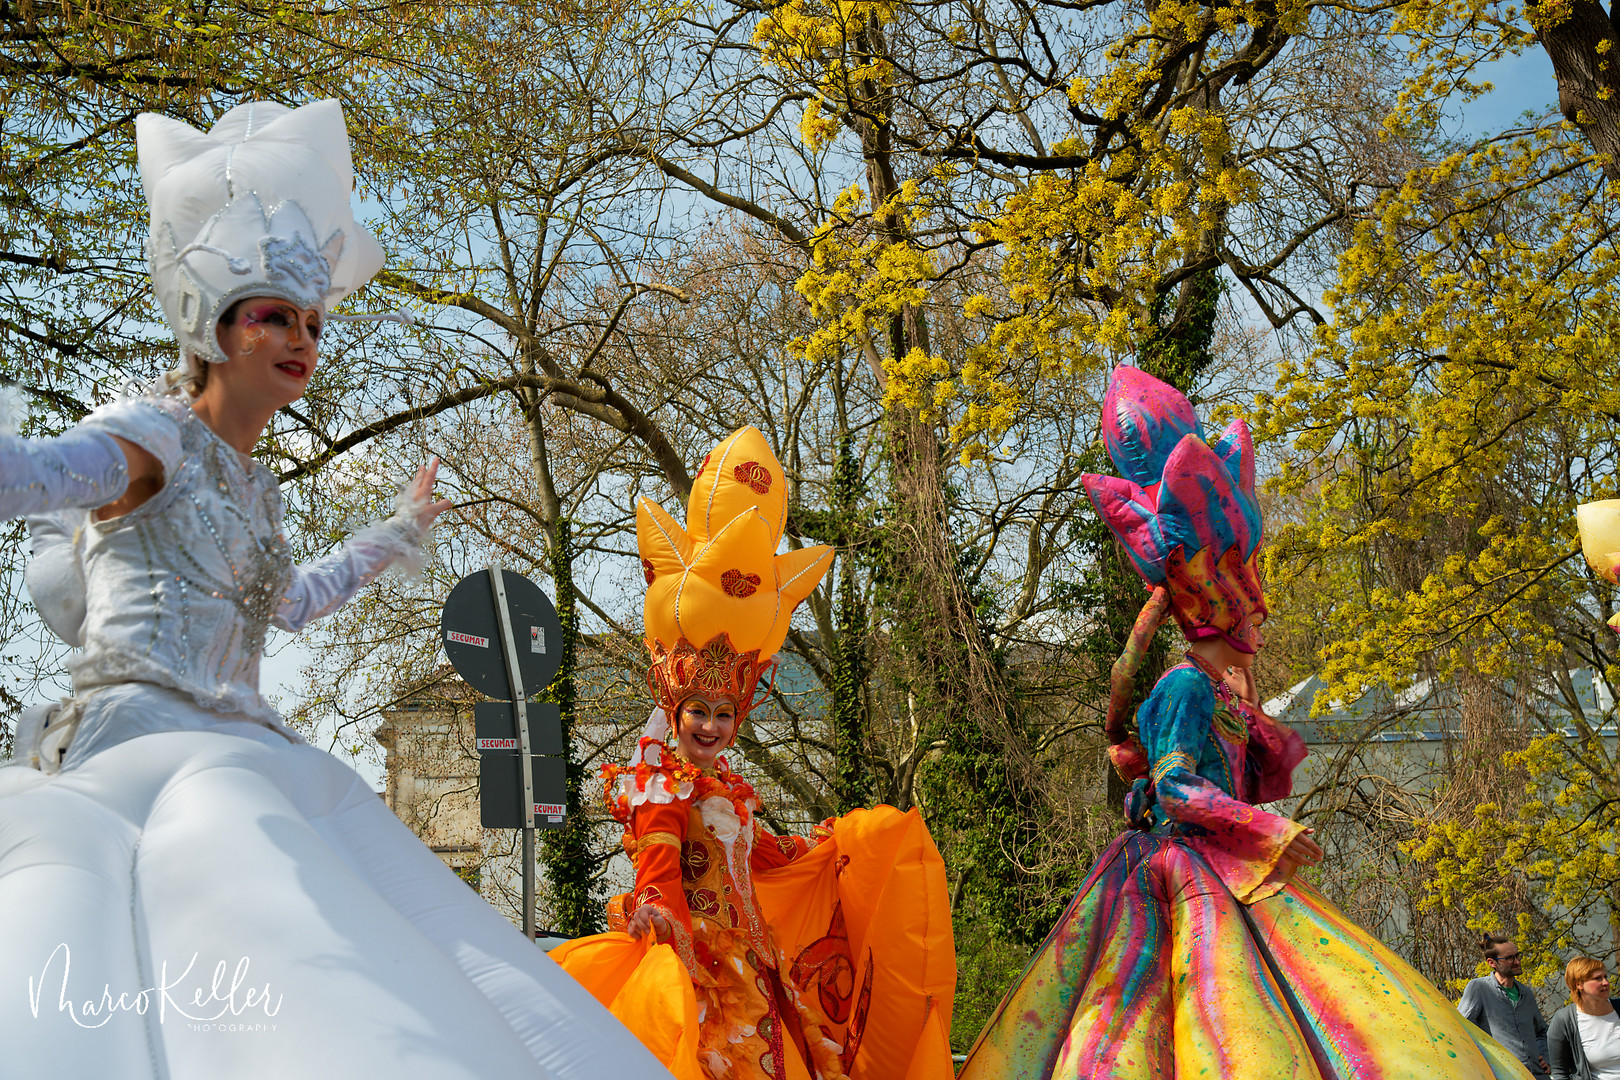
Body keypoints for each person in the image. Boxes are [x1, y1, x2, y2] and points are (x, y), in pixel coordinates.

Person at [0, 99, 672, 1079]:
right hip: (140, 748)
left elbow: (293, 603)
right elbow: (36, 475)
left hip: (248, 742)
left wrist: (395, 535)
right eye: (275, 316)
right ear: (213, 323)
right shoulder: (150, 437)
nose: (302, 338)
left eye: (312, 321)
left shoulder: (255, 487)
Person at [957, 365, 1535, 1079]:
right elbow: (1174, 786)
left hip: (1224, 868)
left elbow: (1236, 769)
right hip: (1182, 873)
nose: (1258, 603)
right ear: (1210, 599)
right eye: (1243, 582)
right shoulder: (1182, 688)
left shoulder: (1219, 693)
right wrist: (1267, 828)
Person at [552, 426, 957, 1080]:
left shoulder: (727, 794)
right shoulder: (665, 784)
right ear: (676, 714)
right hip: (704, 970)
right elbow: (657, 852)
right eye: (698, 714)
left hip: (754, 964)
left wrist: (831, 844)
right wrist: (657, 909)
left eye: (721, 715)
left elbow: (765, 858)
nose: (710, 727)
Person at [1460, 935, 1552, 1078]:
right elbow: (1461, 1028)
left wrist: (1546, 1057)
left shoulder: (1526, 994)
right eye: (1509, 958)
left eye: (1517, 955)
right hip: (1504, 1075)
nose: (1516, 961)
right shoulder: (1479, 988)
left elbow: (1542, 1031)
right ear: (1492, 962)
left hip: (1537, 1075)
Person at [1548, 957, 1620, 1080]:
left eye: (1605, 977)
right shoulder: (1564, 1020)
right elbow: (1560, 1072)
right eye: (1598, 978)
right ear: (1579, 984)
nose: (1606, 982)